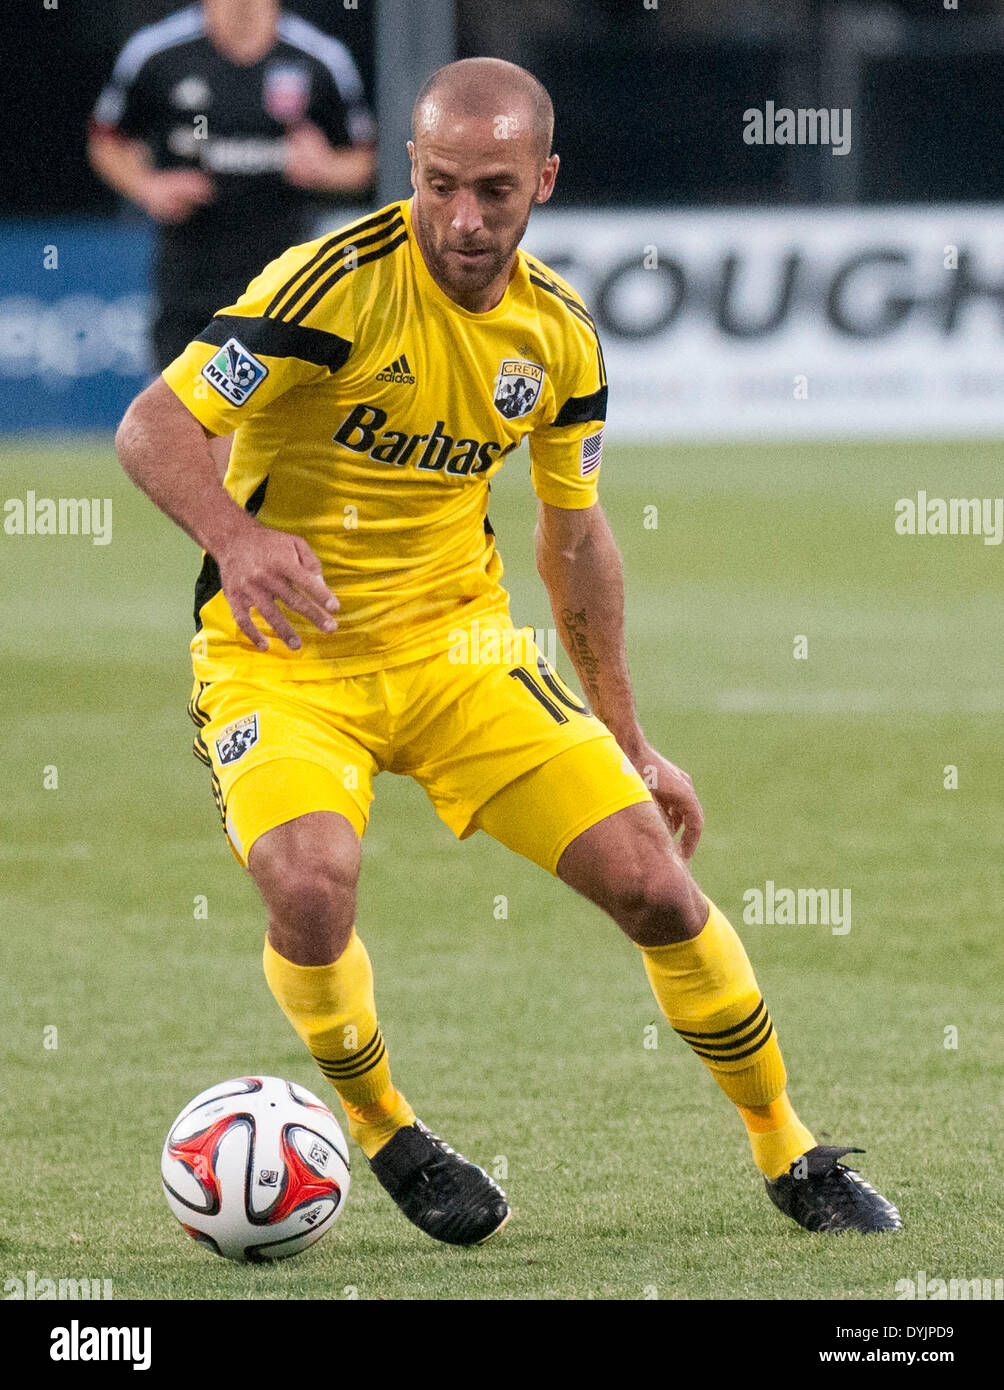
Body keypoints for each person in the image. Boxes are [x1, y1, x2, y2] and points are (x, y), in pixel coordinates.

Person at [115, 57, 901, 1246]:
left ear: (542, 179)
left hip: (461, 651)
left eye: (492, 188)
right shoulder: (327, 287)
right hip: (282, 659)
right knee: (310, 884)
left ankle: (788, 1149)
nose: (462, 218)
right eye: (437, 185)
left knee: (653, 882)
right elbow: (155, 424)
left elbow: (573, 540)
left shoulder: (558, 340)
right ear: (409, 173)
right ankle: (385, 1130)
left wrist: (629, 738)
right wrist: (236, 535)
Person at [88, 0, 374, 424]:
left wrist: (326, 168)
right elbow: (106, 140)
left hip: (287, 290)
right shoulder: (158, 52)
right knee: (180, 429)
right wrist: (147, 185)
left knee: (273, 436)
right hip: (189, 284)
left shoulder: (318, 58)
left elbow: (365, 161)